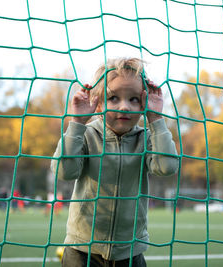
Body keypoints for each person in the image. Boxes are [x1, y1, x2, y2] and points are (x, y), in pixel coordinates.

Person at [50, 58, 179, 267]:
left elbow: (167, 167)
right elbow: (64, 171)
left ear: (144, 103)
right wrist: (77, 123)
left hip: (130, 251)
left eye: (134, 99)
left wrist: (156, 119)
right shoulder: (86, 135)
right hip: (83, 250)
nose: (125, 106)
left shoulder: (146, 138)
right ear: (98, 102)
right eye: (113, 98)